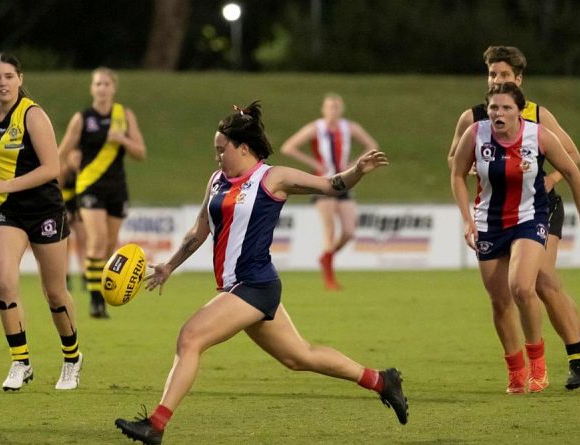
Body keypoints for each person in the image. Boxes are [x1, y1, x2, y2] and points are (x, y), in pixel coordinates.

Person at [115, 102, 407, 445]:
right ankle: (381, 381)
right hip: (240, 287)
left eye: (221, 150)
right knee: (299, 357)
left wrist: (358, 169)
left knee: (190, 338)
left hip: (254, 285)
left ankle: (156, 424)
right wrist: (168, 266)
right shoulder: (217, 181)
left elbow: (332, 185)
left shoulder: (272, 178)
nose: (217, 156)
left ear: (242, 148)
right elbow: (199, 230)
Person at [447, 46, 580, 391]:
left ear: (518, 80)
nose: (498, 80)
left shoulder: (537, 117)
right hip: (493, 211)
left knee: (538, 283)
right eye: (493, 75)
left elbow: (573, 157)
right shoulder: (473, 120)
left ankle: (574, 359)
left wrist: (551, 180)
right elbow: (454, 162)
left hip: (540, 206)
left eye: (505, 76)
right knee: (516, 291)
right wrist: (472, 167)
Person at [0, 53, 83, 391]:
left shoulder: (33, 115)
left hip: (44, 210)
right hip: (5, 211)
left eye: (8, 76)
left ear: (20, 79)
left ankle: (72, 359)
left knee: (55, 292)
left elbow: (52, 168)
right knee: (4, 283)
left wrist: (6, 184)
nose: (2, 83)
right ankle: (20, 361)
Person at [58, 67, 147, 318]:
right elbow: (61, 151)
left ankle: (100, 289)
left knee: (109, 246)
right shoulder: (83, 118)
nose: (102, 88)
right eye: (98, 84)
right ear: (92, 88)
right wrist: (51, 178)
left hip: (117, 188)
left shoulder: (124, 115)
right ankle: (96, 301)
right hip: (89, 185)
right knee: (95, 241)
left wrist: (123, 140)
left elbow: (140, 152)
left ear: (113, 88)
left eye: (106, 84)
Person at [280, 93, 380, 290]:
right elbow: (288, 147)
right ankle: (329, 279)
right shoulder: (315, 128)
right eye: (329, 107)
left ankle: (326, 258)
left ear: (341, 110)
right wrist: (314, 163)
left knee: (350, 231)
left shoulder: (349, 127)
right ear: (323, 109)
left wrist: (355, 165)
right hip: (323, 181)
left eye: (336, 107)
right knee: (329, 229)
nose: (333, 111)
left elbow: (372, 145)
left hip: (344, 180)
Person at [60, 151, 88, 292]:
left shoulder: (83, 173)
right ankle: (66, 277)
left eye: (79, 158)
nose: (78, 160)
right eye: (75, 158)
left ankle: (85, 276)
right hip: (64, 208)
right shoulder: (64, 172)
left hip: (78, 209)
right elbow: (56, 192)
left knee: (83, 242)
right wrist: (65, 211)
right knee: (66, 244)